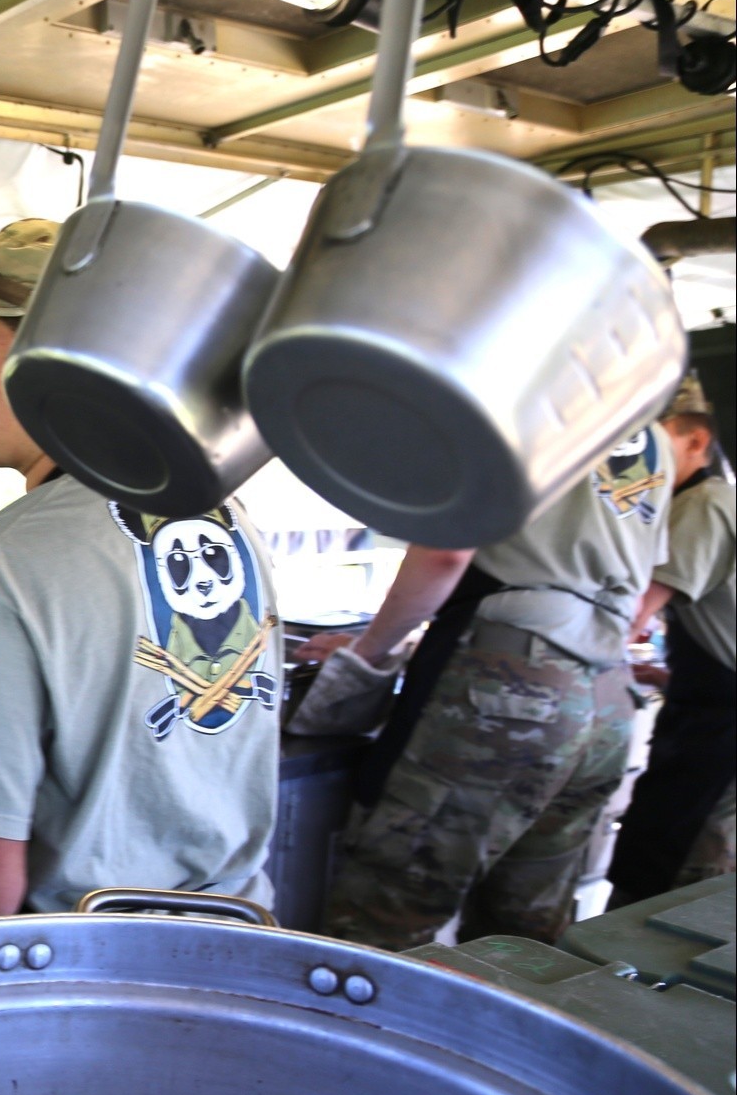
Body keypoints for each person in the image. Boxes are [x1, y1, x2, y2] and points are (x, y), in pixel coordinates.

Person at [0, 219, 281, 936]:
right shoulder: (225, 520)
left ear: (57, 362)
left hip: (82, 975)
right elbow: (147, 715)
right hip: (237, 947)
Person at [298, 411, 676, 949]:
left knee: (388, 919)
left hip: (514, 689)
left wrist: (367, 652)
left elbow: (447, 551)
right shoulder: (645, 427)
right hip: (608, 691)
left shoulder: (512, 390)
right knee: (526, 932)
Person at [609, 377, 734, 906]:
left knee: (671, 877)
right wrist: (662, 674)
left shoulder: (703, 502)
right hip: (706, 703)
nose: (644, 464)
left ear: (696, 440)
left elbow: (632, 614)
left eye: (657, 444)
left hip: (721, 729)